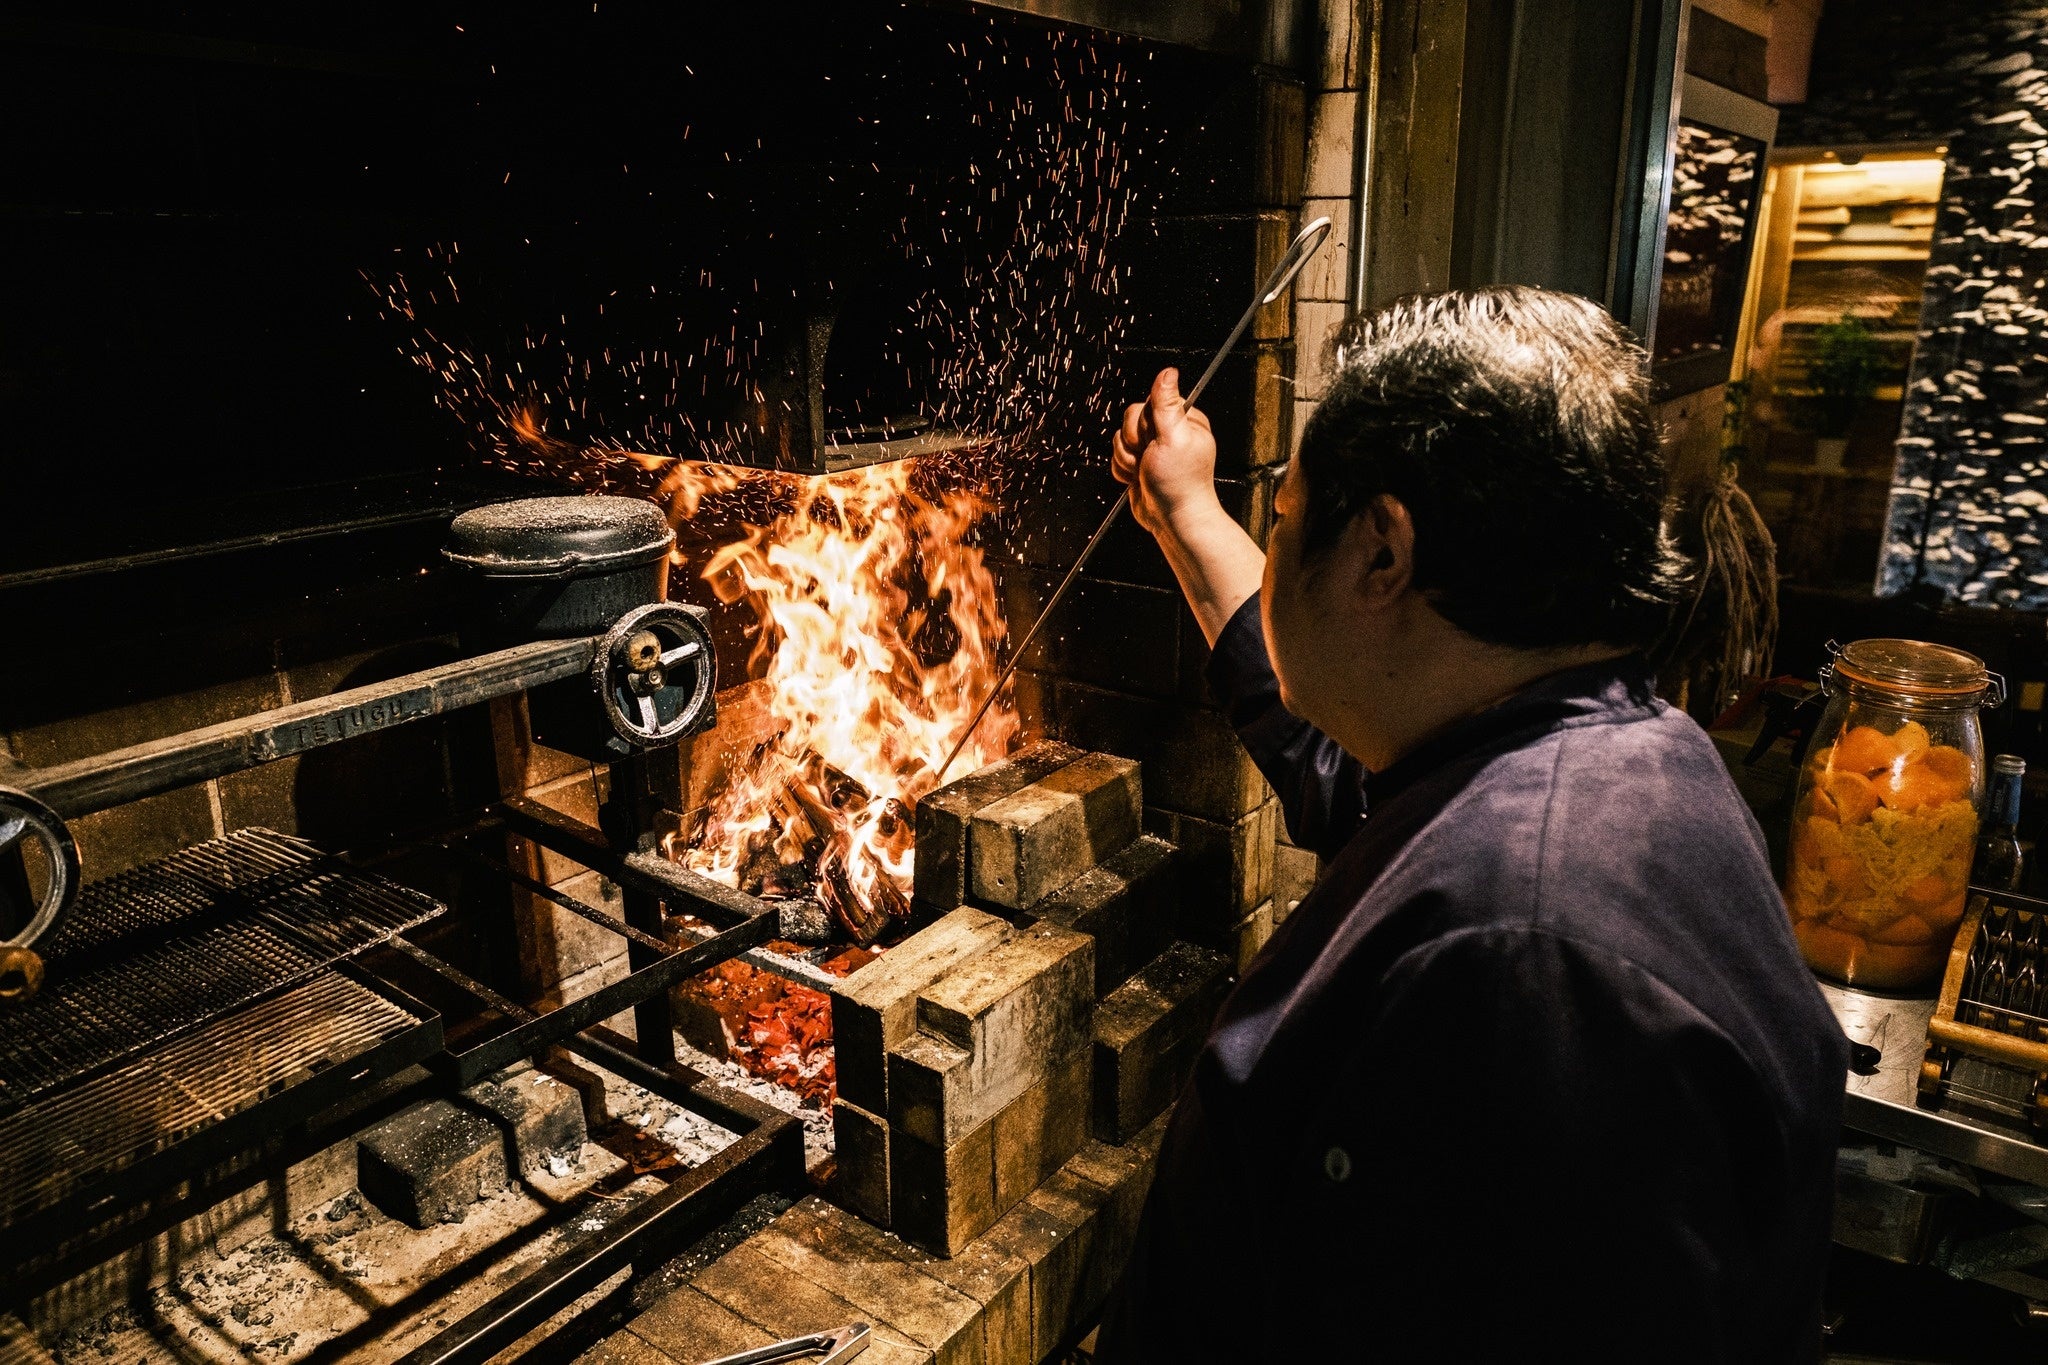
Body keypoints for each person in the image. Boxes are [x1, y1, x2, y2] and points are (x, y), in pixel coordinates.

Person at [1092, 286, 1847, 1363]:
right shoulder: (1609, 757)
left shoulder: (1524, 968)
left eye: (1286, 516)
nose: (1274, 537)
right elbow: (1342, 769)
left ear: (1381, 554)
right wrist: (1186, 513)